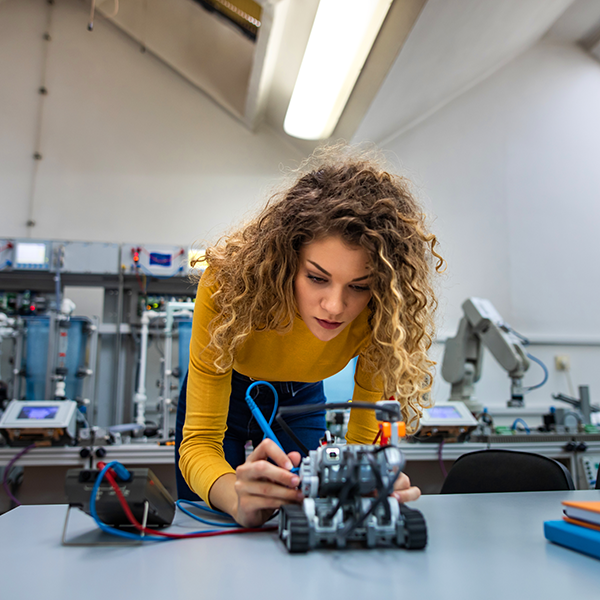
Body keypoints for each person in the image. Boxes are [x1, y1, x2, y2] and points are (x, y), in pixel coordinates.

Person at [178, 144, 444, 528]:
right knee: (215, 522)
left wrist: (367, 484)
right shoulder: (226, 285)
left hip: (301, 396)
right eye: (317, 278)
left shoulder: (382, 311)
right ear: (287, 259)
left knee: (312, 510)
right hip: (228, 391)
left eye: (359, 286)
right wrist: (236, 499)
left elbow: (361, 444)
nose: (335, 306)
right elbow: (200, 443)